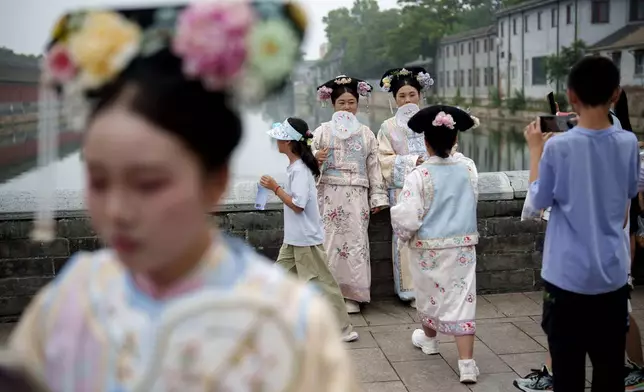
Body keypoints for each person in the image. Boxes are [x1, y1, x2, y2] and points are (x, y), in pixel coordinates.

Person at [8, 3, 362, 391]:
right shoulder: (66, 306)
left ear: (216, 179)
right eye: (98, 179)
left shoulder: (293, 324)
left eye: (149, 183)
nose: (117, 210)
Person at [515, 91, 644, 392]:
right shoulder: (625, 141)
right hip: (610, 270)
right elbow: (626, 210)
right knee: (608, 367)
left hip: (569, 275)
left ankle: (553, 374)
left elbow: (536, 204)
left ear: (573, 97)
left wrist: (537, 150)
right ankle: (635, 367)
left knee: (569, 368)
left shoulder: (561, 146)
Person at [390, 105, 480, 383]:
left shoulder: (419, 175)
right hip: (462, 244)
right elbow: (472, 198)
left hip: (428, 247)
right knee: (463, 297)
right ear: (455, 140)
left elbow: (407, 217)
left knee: (429, 292)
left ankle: (430, 340)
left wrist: (403, 236)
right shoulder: (468, 169)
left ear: (425, 142)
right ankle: (466, 363)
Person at [260, 117, 359, 343]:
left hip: (305, 239)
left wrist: (274, 187)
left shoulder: (300, 170)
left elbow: (298, 204)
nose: (277, 142)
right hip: (295, 239)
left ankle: (343, 329)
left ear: (289, 142)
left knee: (323, 283)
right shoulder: (298, 167)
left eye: (281, 138)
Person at [312, 76, 389, 314]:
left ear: (358, 103)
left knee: (356, 243)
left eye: (351, 102)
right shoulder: (322, 131)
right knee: (329, 242)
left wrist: (377, 197)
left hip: (357, 196)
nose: (347, 107)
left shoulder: (366, 133)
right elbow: (308, 157)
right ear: (332, 104)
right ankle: (330, 293)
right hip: (328, 194)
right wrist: (316, 157)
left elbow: (374, 166)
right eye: (342, 103)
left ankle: (353, 295)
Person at [376, 67, 434, 308]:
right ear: (394, 99)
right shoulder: (387, 127)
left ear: (420, 95)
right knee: (405, 240)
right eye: (402, 96)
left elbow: (451, 149)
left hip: (432, 188)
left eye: (411, 94)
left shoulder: (436, 120)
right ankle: (411, 291)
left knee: (433, 237)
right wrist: (413, 161)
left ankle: (434, 288)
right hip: (402, 192)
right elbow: (383, 159)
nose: (407, 100)